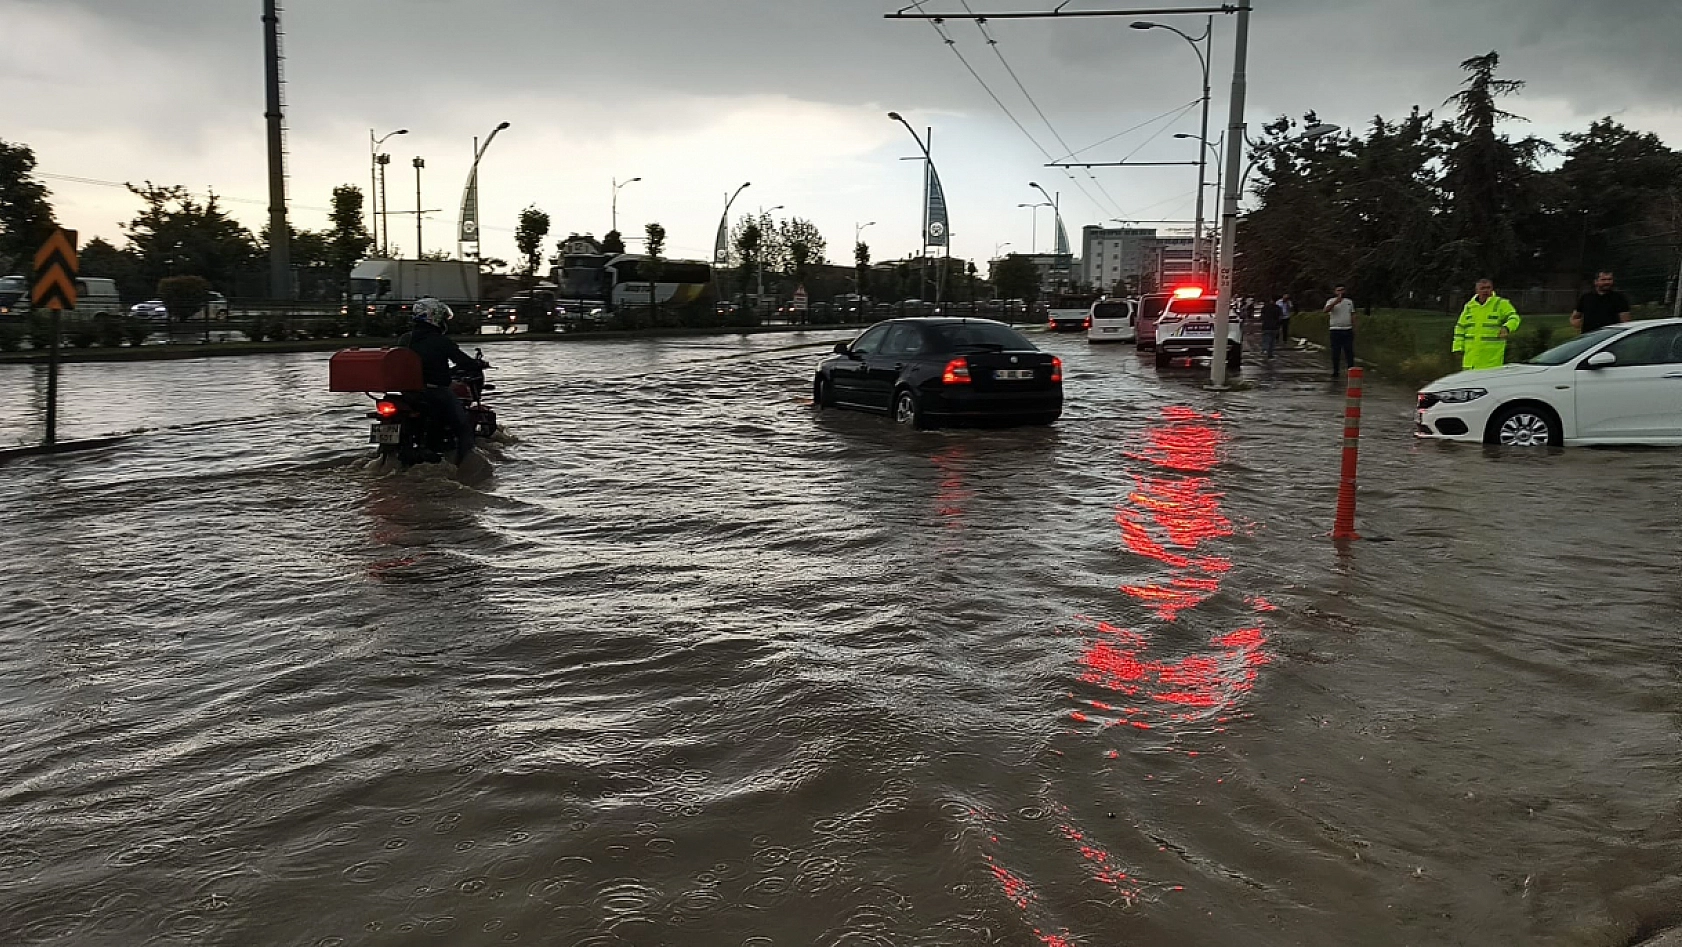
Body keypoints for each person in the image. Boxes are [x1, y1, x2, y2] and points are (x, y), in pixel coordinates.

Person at [398, 296, 483, 464]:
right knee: (463, 426)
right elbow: (463, 361)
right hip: (435, 392)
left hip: (409, 394)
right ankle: (465, 465)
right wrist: (478, 364)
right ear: (435, 317)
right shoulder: (441, 341)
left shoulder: (405, 339)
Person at [1452, 279, 1521, 370]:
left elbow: (1514, 318)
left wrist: (1507, 328)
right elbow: (1460, 327)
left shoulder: (1501, 303)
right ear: (1477, 290)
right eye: (1482, 288)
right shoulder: (1469, 306)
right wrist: (1457, 347)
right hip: (1470, 361)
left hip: (1491, 361)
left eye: (1488, 288)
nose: (1486, 291)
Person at [1324, 285, 1356, 379]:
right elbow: (1326, 310)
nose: (1340, 292)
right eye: (1338, 290)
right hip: (1335, 329)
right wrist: (1335, 302)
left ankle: (1351, 369)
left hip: (1347, 329)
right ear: (1335, 292)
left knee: (1349, 351)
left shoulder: (1349, 302)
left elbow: (1353, 314)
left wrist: (1355, 327)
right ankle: (1335, 371)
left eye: (1342, 290)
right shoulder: (1330, 301)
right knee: (1335, 351)